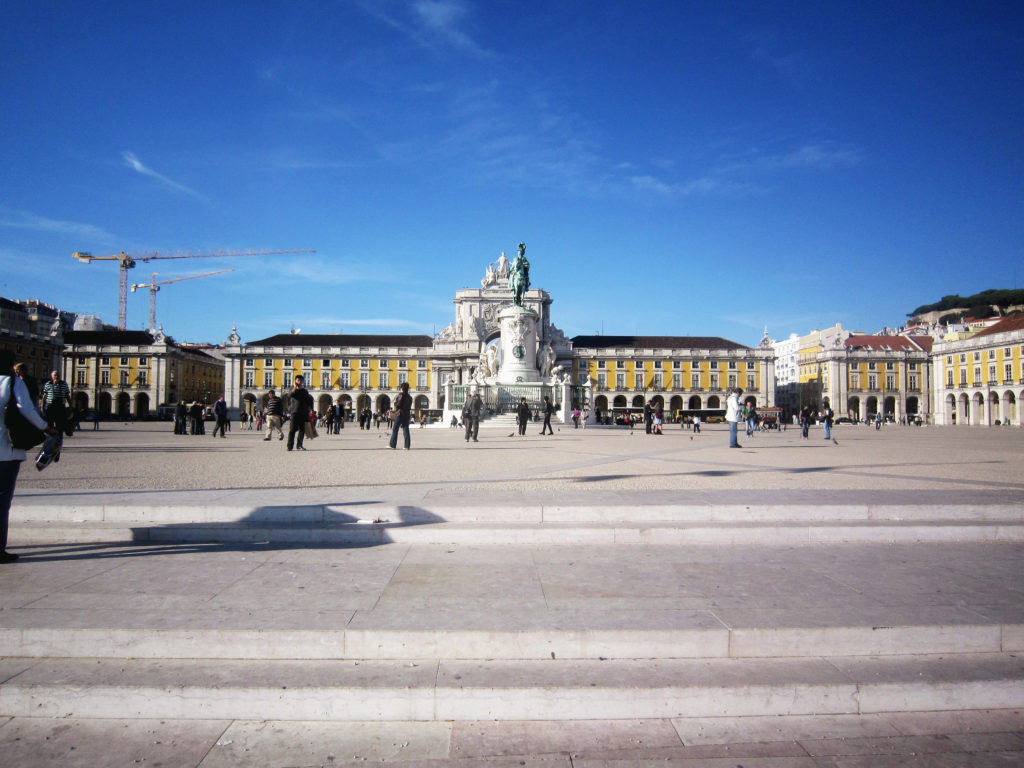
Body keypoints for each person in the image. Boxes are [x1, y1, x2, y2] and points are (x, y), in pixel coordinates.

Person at [1, 351, 58, 563]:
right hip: (6, 450)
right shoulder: (13, 383)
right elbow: (27, 409)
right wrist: (46, 428)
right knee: (1, 501)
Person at [286, 377, 314, 451]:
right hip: (294, 412)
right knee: (292, 429)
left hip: (304, 412)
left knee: (302, 430)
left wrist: (310, 408)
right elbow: (290, 395)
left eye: (301, 380)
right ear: (295, 381)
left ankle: (299, 445)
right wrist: (295, 387)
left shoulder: (305, 391)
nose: (299, 382)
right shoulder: (292, 389)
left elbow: (308, 400)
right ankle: (289, 446)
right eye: (298, 380)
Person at [389, 381, 412, 449]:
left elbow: (398, 405)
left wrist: (395, 403)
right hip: (407, 414)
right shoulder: (410, 397)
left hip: (400, 414)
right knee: (406, 429)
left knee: (395, 429)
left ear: (402, 388)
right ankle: (407, 446)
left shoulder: (400, 395)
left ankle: (392, 445)